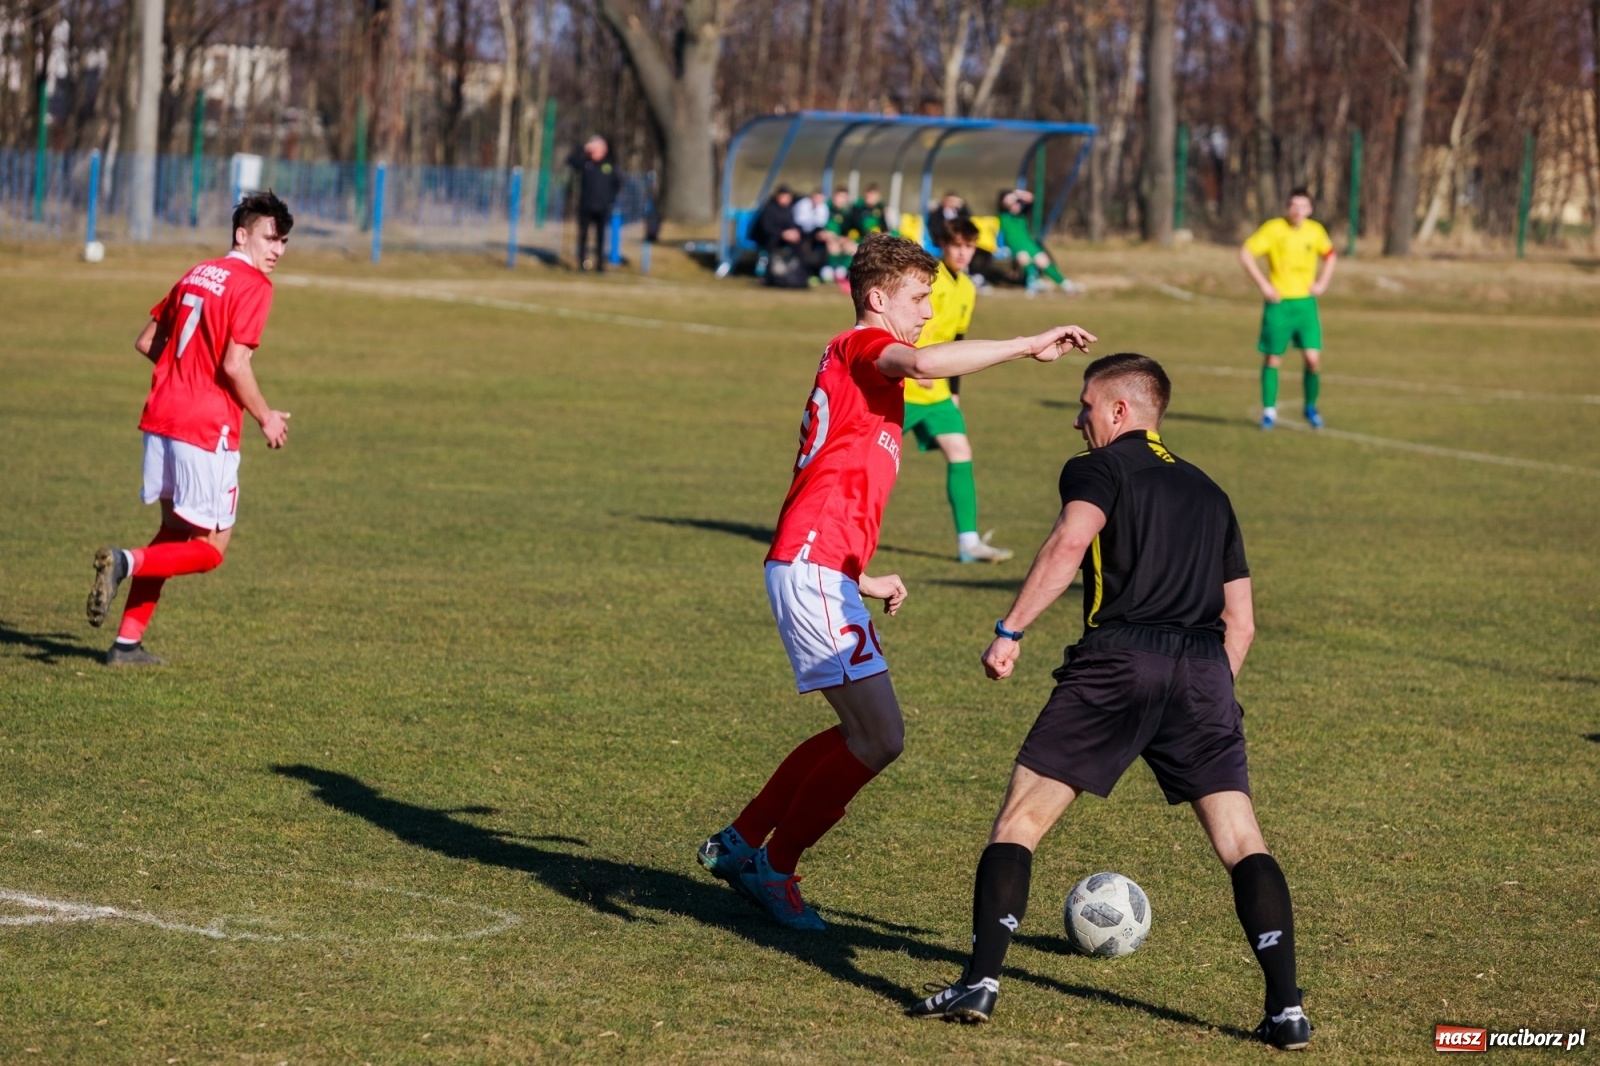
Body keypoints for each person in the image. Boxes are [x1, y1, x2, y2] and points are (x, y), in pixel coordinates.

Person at [909, 353, 1311, 1052]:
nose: (1078, 418)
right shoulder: (1211, 492)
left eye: (1086, 405)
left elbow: (1071, 541)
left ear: (1120, 411)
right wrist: (1206, 693)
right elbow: (1240, 621)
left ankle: (979, 981)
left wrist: (1010, 631)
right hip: (1205, 672)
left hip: (1118, 660)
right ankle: (1285, 1009)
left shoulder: (1097, 467)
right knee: (1243, 840)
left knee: (1020, 820)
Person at [696, 233, 1097, 931]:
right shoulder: (860, 348)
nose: (926, 315)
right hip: (813, 567)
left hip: (826, 568)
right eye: (918, 300)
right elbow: (927, 362)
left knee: (862, 731)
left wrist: (861, 574)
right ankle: (775, 864)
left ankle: (743, 840)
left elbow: (833, 480)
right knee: (879, 737)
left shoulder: (867, 380)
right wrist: (1027, 342)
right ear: (877, 299)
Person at [85, 191, 295, 666]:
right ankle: (124, 562)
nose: (277, 249)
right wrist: (265, 416)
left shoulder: (197, 272)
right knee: (211, 548)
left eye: (283, 241)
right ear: (242, 234)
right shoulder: (255, 285)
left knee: (172, 532)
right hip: (205, 427)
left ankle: (126, 645)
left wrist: (186, 374)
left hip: (161, 416)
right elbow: (235, 364)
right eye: (270, 237)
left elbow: (146, 342)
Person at [904, 217, 1012, 563]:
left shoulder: (967, 288)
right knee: (867, 463)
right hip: (902, 386)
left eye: (969, 246)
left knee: (959, 449)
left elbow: (958, 340)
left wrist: (954, 388)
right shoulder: (925, 278)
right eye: (957, 246)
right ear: (944, 245)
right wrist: (911, 361)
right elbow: (899, 322)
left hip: (936, 390)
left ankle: (968, 542)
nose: (963, 253)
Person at [1238, 187, 1336, 430]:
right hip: (1279, 305)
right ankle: (1269, 411)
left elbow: (1331, 255)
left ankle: (1310, 407)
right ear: (1287, 207)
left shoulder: (1315, 231)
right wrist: (1264, 285)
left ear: (1310, 209)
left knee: (1313, 359)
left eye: (1303, 206)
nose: (1297, 210)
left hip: (1305, 305)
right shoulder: (1273, 229)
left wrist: (1322, 283)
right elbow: (1245, 253)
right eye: (1294, 205)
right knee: (1273, 358)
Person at [998, 189, 1074, 293]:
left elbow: (1030, 198)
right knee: (1024, 257)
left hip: (1029, 244)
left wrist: (1017, 194)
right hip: (1015, 246)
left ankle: (1064, 284)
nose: (1014, 205)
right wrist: (1009, 200)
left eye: (1015, 202)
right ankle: (1033, 284)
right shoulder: (1003, 217)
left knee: (1042, 260)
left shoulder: (1021, 215)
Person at [567, 135, 622, 273]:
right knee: (583, 237)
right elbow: (570, 160)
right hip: (586, 206)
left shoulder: (609, 164)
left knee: (600, 239)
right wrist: (584, 147)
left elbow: (618, 183)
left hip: (603, 208)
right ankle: (584, 265)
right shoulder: (586, 163)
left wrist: (610, 199)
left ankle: (599, 266)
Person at [750, 186, 806, 288]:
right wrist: (782, 233)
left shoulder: (788, 210)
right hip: (767, 237)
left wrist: (794, 232)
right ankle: (770, 274)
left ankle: (797, 273)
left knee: (799, 243)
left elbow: (791, 224)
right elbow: (766, 228)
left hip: (783, 238)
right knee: (772, 243)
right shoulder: (769, 209)